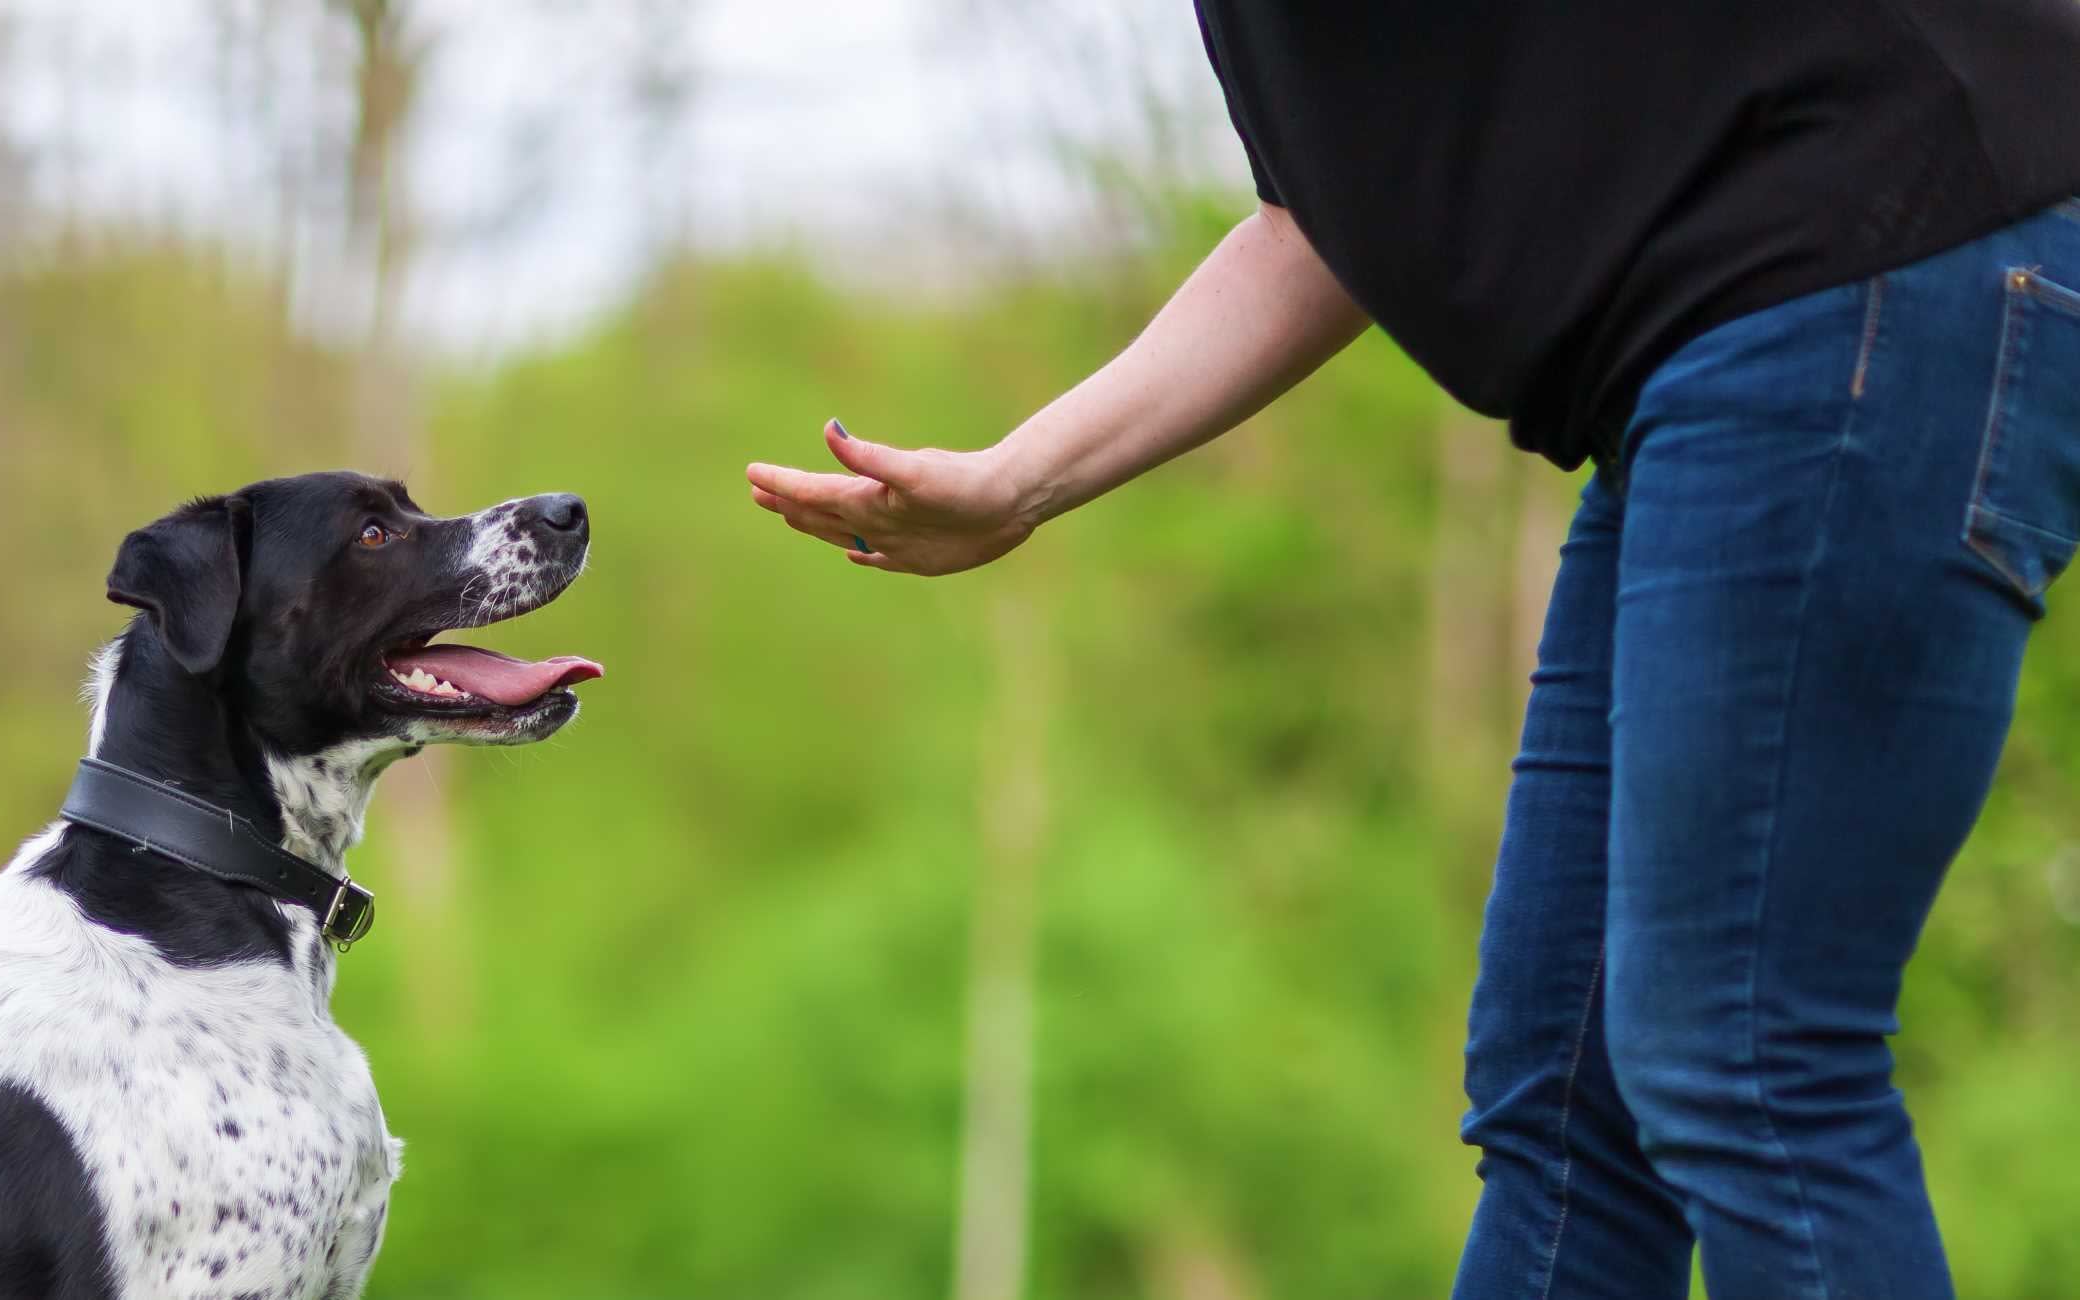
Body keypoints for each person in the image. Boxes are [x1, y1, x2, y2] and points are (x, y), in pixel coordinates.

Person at [745, 4, 2080, 1297]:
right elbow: (1317, 232)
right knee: (1566, 1110)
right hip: (1737, 326)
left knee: (1740, 1055)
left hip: (1876, 246)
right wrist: (1020, 478)